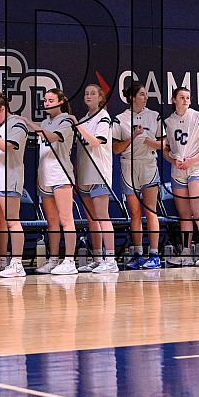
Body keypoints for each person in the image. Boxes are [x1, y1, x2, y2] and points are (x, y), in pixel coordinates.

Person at [152, 86, 199, 267]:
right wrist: (173, 161)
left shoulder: (198, 117)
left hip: (196, 168)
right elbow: (165, 149)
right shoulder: (167, 122)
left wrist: (193, 159)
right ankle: (186, 253)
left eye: (187, 97)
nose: (185, 100)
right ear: (174, 100)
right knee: (184, 215)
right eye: (181, 97)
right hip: (178, 170)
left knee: (198, 212)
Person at [23, 89, 79, 275]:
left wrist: (30, 124)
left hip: (61, 175)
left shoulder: (67, 120)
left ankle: (70, 261)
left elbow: (52, 137)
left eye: (51, 100)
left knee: (66, 220)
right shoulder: (45, 122)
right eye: (45, 100)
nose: (46, 103)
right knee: (52, 222)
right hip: (46, 176)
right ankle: (54, 260)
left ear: (61, 101)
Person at [113, 84, 164, 269]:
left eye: (146, 94)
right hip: (129, 166)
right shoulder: (120, 119)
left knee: (151, 211)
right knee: (135, 213)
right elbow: (116, 149)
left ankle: (154, 254)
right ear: (133, 97)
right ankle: (137, 254)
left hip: (148, 164)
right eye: (142, 94)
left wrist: (152, 142)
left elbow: (164, 144)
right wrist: (133, 137)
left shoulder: (154, 116)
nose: (145, 97)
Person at [0, 94, 30, 278]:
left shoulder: (17, 123)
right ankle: (2, 261)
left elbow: (5, 146)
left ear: (3, 109)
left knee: (12, 221)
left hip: (10, 178)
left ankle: (17, 263)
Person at [74, 84, 117, 274]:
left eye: (93, 93)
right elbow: (80, 151)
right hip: (84, 174)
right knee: (92, 219)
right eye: (86, 93)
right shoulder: (84, 119)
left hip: (99, 173)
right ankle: (98, 258)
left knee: (102, 216)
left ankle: (111, 259)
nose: (89, 96)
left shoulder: (103, 117)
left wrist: (77, 126)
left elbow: (95, 141)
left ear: (101, 98)